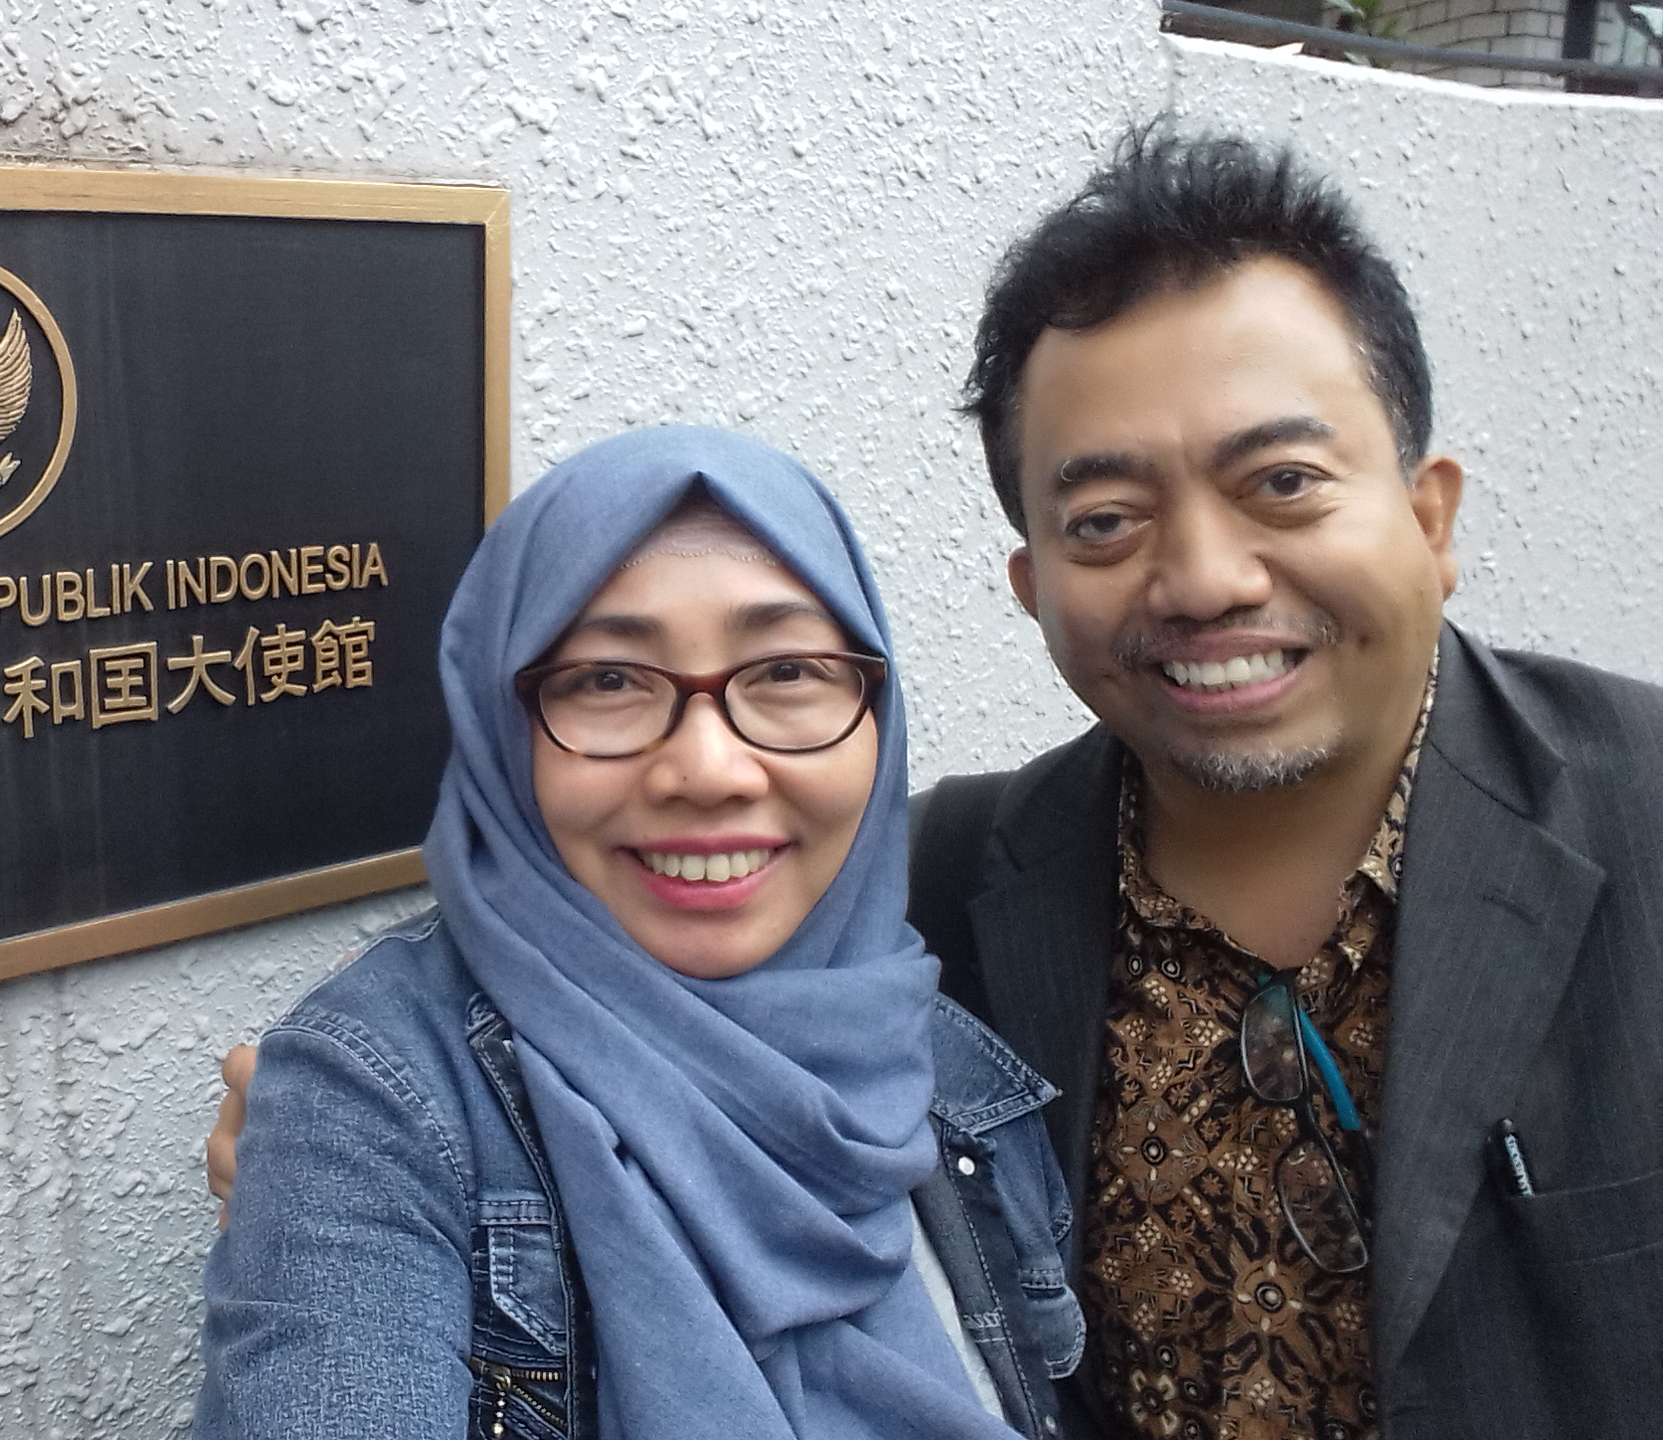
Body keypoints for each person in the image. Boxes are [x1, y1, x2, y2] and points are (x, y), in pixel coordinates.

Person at [212, 128, 1663, 1439]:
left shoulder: (1641, 822)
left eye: (1280, 483)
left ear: (1430, 515)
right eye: (1107, 518)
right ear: (1034, 585)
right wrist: (353, 1138)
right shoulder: (945, 890)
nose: (1207, 577)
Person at [197, 427, 1083, 1440]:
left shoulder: (936, 1055)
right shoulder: (370, 1101)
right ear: (501, 726)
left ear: (876, 714)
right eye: (608, 680)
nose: (708, 770)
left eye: (787, 669)